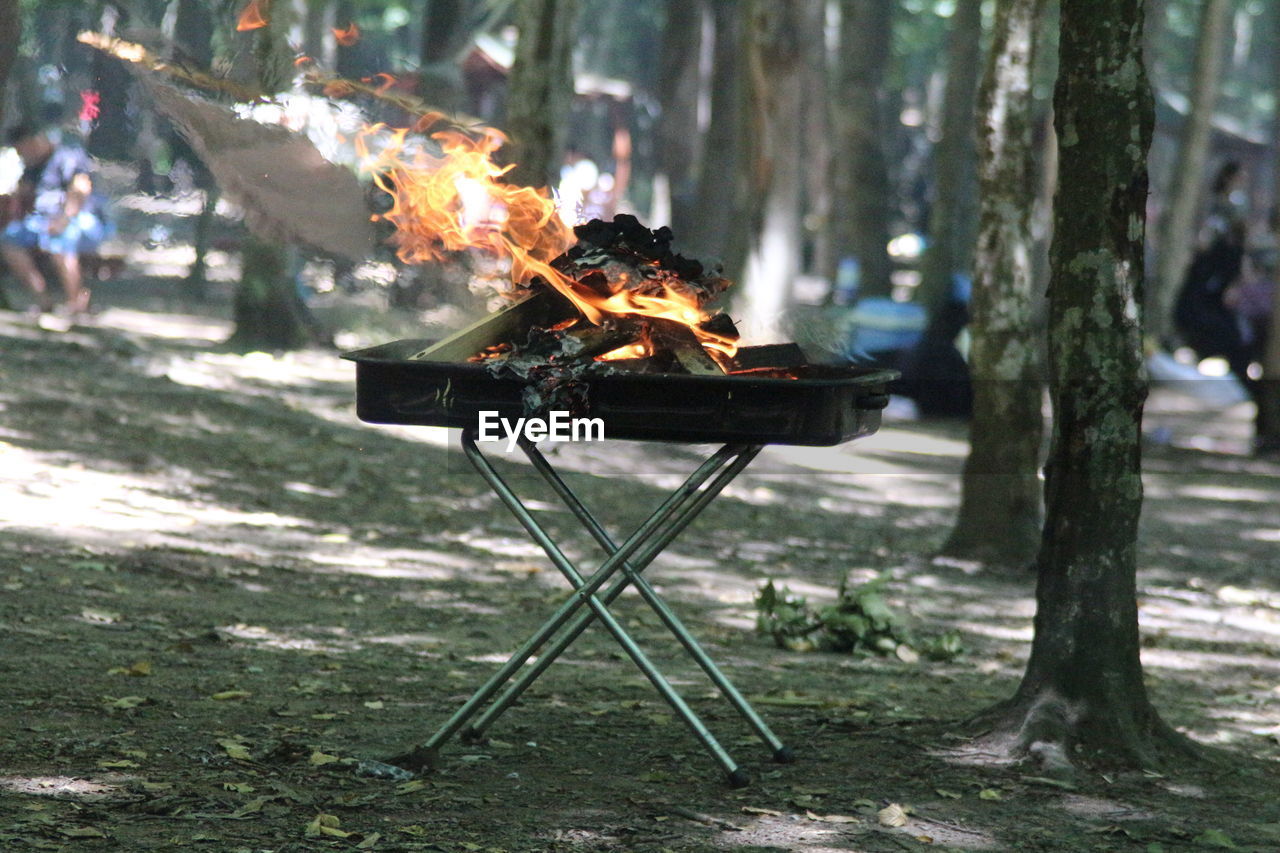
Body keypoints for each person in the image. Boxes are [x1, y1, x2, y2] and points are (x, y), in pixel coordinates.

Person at [0, 125, 106, 316]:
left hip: (79, 218)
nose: (23, 154)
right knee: (9, 239)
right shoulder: (32, 165)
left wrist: (63, 220)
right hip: (41, 221)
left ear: (36, 140)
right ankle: (43, 299)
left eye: (24, 149)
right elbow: (23, 191)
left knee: (62, 244)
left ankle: (75, 304)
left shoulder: (68, 155)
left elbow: (81, 190)